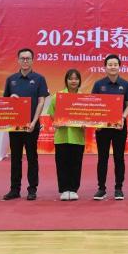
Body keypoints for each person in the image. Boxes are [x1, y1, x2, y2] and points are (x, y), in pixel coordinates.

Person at [3, 48, 49, 201]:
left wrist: (34, 122)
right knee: (15, 158)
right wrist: (11, 98)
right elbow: (6, 102)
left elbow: (41, 101)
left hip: (32, 126)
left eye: (28, 58)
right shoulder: (11, 79)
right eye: (22, 58)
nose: (25, 61)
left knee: (32, 157)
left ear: (32, 60)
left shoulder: (39, 79)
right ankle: (14, 189)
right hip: (15, 126)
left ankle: (32, 189)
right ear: (18, 60)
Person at [91, 54, 128, 201]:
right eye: (110, 64)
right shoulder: (98, 84)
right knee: (102, 158)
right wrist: (97, 122)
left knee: (119, 158)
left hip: (119, 127)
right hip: (102, 128)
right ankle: (101, 188)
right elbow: (93, 104)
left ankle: (118, 188)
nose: (113, 67)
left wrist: (122, 118)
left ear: (119, 66)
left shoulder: (126, 84)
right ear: (105, 67)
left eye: (115, 64)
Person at [46, 69, 85, 201]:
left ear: (79, 81)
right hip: (62, 136)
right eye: (70, 78)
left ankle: (73, 189)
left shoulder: (83, 98)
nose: (73, 81)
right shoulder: (58, 96)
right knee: (62, 164)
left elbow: (87, 115)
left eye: (76, 79)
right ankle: (64, 189)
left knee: (76, 163)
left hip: (77, 136)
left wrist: (85, 122)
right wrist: (56, 121)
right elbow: (51, 112)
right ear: (66, 81)